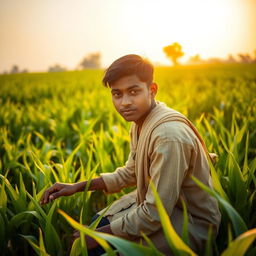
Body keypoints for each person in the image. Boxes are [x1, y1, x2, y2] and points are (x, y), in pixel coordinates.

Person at [40, 54, 221, 255]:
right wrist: (76, 187)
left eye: (133, 92)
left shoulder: (168, 137)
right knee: (96, 223)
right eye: (117, 94)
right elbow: (130, 173)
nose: (124, 102)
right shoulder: (141, 122)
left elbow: (155, 213)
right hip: (159, 206)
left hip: (190, 223)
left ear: (152, 90)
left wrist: (102, 236)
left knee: (97, 247)